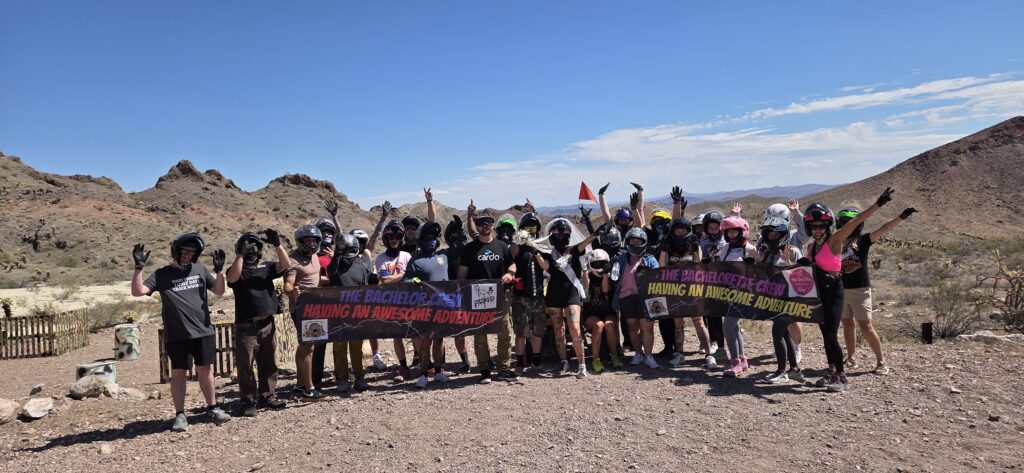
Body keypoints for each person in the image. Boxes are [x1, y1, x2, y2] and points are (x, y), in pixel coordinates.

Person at [131, 233, 231, 432]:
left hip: (203, 330)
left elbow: (219, 291)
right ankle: (180, 414)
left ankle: (212, 408)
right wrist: (138, 267)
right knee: (178, 373)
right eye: (184, 250)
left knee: (205, 370)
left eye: (191, 252)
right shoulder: (162, 274)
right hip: (177, 334)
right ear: (176, 251)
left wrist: (219, 271)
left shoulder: (200, 270)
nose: (187, 255)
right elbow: (138, 291)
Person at [802, 187, 893, 392]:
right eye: (813, 226)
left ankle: (841, 377)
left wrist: (878, 204)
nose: (817, 229)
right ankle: (831, 371)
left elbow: (854, 222)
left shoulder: (834, 240)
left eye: (821, 225)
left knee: (832, 335)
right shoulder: (811, 247)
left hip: (834, 293)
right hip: (819, 295)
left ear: (828, 226)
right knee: (825, 334)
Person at [837, 205, 918, 375]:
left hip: (860, 290)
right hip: (841, 288)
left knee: (866, 325)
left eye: (850, 222)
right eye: (844, 222)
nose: (847, 225)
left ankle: (881, 362)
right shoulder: (836, 242)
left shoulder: (864, 240)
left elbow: (884, 228)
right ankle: (851, 358)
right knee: (847, 324)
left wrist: (901, 216)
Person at [225, 230, 290, 416]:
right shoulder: (237, 269)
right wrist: (239, 255)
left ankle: (267, 396)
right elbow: (231, 279)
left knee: (268, 362)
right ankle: (248, 401)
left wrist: (277, 245)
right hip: (246, 326)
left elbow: (285, 264)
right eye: (247, 249)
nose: (251, 252)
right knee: (246, 366)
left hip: (267, 323)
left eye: (253, 248)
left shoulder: (266, 267)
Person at [533, 218, 600, 378]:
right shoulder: (549, 253)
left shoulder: (575, 250)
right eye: (558, 233)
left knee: (575, 327)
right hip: (554, 295)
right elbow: (546, 267)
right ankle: (564, 361)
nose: (561, 236)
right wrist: (533, 248)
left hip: (571, 294)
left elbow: (586, 242)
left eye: (564, 233)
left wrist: (596, 233)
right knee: (558, 328)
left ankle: (582, 364)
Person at [458, 203, 517, 384]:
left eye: (488, 223)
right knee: (480, 332)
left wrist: (510, 274)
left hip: (501, 294)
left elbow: (512, 264)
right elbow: (462, 272)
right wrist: (461, 292)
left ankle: (504, 367)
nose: (485, 226)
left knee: (505, 331)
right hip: (478, 295)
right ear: (477, 225)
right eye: (481, 223)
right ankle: (484, 369)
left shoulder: (502, 246)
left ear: (493, 225)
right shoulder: (469, 249)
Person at [754, 209, 805, 384]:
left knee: (777, 333)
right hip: (773, 298)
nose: (773, 236)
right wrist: (758, 261)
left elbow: (802, 277)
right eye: (770, 233)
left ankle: (782, 371)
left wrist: (788, 262)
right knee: (783, 334)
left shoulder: (794, 251)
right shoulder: (767, 251)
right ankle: (794, 370)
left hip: (789, 299)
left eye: (777, 233)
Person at [405, 220, 452, 388]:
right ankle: (424, 374)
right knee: (425, 342)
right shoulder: (415, 261)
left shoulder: (443, 257)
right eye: (427, 239)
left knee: (439, 341)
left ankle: (438, 371)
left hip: (442, 307)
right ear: (421, 241)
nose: (431, 242)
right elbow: (406, 280)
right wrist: (413, 280)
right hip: (424, 308)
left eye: (433, 238)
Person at [657, 217, 711, 367]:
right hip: (675, 288)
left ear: (688, 230)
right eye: (677, 229)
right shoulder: (670, 246)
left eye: (683, 229)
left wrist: (695, 247)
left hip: (692, 288)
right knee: (678, 323)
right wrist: (663, 249)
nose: (680, 232)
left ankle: (708, 354)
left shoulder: (693, 243)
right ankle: (680, 353)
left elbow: (698, 264)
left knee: (698, 322)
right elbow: (662, 266)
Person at [283, 224, 327, 401]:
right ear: (300, 242)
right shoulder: (293, 260)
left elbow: (314, 277)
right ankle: (309, 389)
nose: (311, 243)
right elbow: (288, 283)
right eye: (307, 240)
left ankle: (300, 385)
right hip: (302, 310)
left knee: (304, 345)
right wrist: (291, 291)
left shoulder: (315, 257)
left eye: (314, 240)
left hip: (316, 308)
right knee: (308, 346)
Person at [714, 216, 760, 377]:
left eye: (734, 231)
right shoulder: (725, 248)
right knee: (735, 327)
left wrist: (753, 265)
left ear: (742, 231)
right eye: (729, 232)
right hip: (728, 292)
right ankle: (742, 359)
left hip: (744, 294)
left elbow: (763, 270)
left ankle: (734, 362)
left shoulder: (751, 249)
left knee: (727, 327)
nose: (731, 234)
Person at [326, 233, 373, 393]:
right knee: (339, 348)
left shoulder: (361, 266)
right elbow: (331, 272)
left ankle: (360, 377)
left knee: (356, 348)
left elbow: (365, 289)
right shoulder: (336, 265)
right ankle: (342, 379)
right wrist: (337, 253)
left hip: (357, 314)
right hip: (338, 314)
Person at [612, 227, 660, 368]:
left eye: (638, 241)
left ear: (643, 242)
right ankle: (638, 353)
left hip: (645, 297)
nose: (635, 243)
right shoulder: (621, 258)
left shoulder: (650, 259)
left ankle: (649, 356)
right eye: (632, 240)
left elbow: (657, 276)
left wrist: (647, 272)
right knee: (632, 327)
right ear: (627, 242)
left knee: (647, 327)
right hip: (625, 296)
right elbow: (615, 277)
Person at [510, 211, 548, 374]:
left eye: (533, 228)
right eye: (528, 228)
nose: (531, 231)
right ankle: (520, 362)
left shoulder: (541, 247)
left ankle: (537, 360)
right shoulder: (517, 246)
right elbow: (510, 256)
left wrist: (536, 249)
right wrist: (519, 242)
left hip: (538, 296)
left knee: (537, 330)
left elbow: (546, 266)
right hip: (520, 296)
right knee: (521, 331)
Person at [376, 219, 413, 382]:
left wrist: (396, 278)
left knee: (415, 333)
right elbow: (384, 280)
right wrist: (404, 276)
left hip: (410, 300)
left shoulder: (407, 255)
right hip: (392, 302)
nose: (394, 240)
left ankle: (422, 363)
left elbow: (415, 278)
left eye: (398, 237)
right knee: (398, 335)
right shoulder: (380, 259)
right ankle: (403, 365)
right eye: (391, 237)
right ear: (386, 239)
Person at [310, 216, 339, 391]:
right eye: (324, 232)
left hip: (337, 303)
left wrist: (335, 258)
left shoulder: (336, 254)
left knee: (339, 338)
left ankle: (340, 373)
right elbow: (309, 277)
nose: (327, 235)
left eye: (330, 232)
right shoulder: (312, 256)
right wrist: (327, 279)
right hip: (319, 303)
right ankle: (316, 378)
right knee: (319, 342)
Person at [581, 248, 621, 373]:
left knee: (609, 325)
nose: (599, 266)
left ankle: (614, 355)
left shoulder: (611, 276)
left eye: (602, 264)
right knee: (599, 325)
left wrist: (605, 273)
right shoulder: (586, 275)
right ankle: (595, 359)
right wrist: (584, 270)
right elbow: (586, 287)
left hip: (607, 310)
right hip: (591, 312)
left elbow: (605, 290)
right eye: (596, 264)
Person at [442, 214, 473, 373]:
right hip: (454, 297)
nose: (458, 239)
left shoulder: (471, 251)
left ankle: (486, 359)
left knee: (482, 329)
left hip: (474, 295)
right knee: (458, 332)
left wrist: (469, 217)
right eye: (454, 236)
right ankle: (465, 361)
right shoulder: (443, 255)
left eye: (460, 235)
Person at [699, 210, 727, 368]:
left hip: (726, 283)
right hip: (708, 284)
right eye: (710, 227)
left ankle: (735, 350)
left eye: (716, 226)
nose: (714, 229)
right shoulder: (702, 243)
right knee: (712, 317)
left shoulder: (727, 242)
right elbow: (699, 261)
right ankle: (717, 344)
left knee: (729, 318)